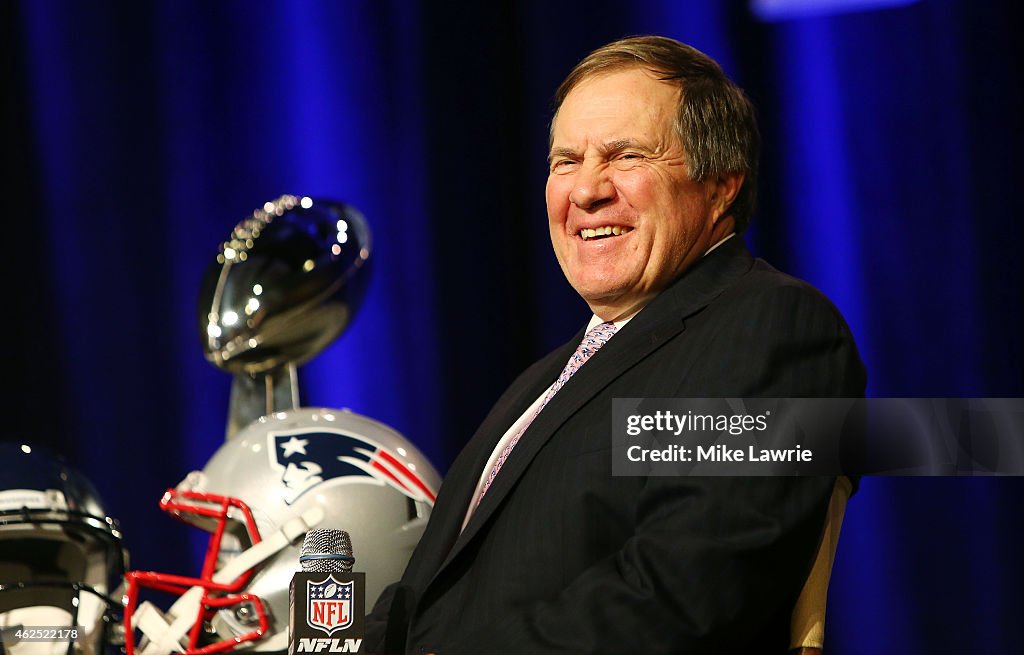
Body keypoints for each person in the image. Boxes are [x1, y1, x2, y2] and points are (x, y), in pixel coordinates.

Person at [365, 35, 865, 654]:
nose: (584, 191)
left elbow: (685, 590)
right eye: (566, 161)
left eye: (626, 155)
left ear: (722, 184)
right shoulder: (546, 378)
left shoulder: (773, 329)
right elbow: (424, 598)